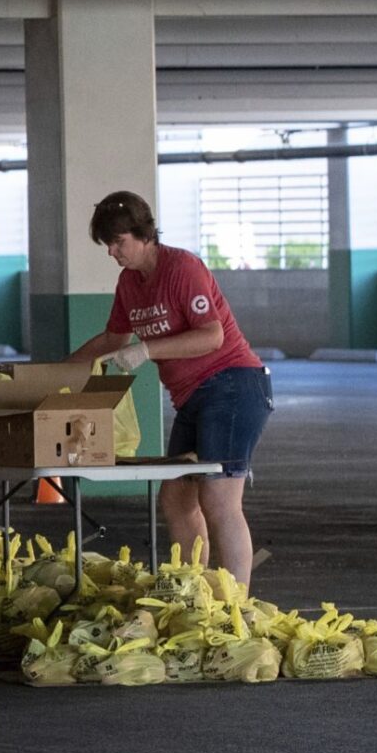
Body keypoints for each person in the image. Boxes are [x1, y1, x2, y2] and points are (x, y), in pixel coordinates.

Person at [67, 191, 271, 580]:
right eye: (107, 244)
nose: (112, 252)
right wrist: (62, 369)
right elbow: (113, 339)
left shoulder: (182, 268)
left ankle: (235, 602)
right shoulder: (130, 282)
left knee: (219, 498)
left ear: (144, 234)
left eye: (119, 242)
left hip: (233, 386)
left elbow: (211, 336)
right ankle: (191, 589)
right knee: (177, 498)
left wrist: (147, 349)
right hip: (192, 397)